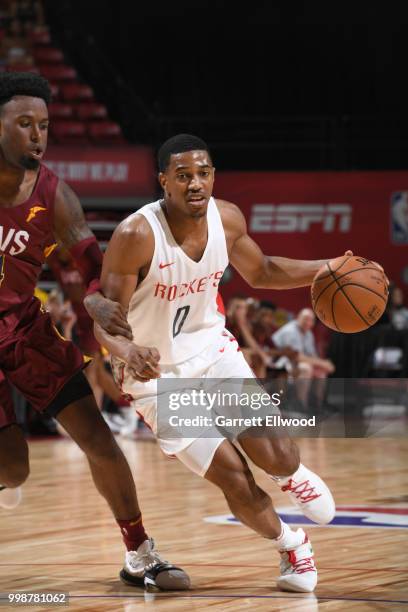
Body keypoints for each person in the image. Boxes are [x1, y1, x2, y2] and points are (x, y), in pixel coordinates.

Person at [91, 133, 346, 593]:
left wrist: (325, 267)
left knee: (279, 454)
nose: (195, 183)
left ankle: (294, 476)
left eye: (203, 173)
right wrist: (128, 352)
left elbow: (263, 270)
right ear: (163, 180)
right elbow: (107, 321)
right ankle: (292, 544)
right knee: (234, 476)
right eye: (183, 175)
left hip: (213, 354)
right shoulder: (136, 235)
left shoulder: (226, 218)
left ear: (213, 176)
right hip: (157, 380)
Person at [0, 72, 189, 590]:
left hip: (22, 329)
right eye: (23, 123)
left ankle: (140, 554)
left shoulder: (56, 196)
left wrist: (101, 306)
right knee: (13, 471)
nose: (37, 135)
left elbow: (91, 272)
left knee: (98, 437)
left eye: (43, 124)